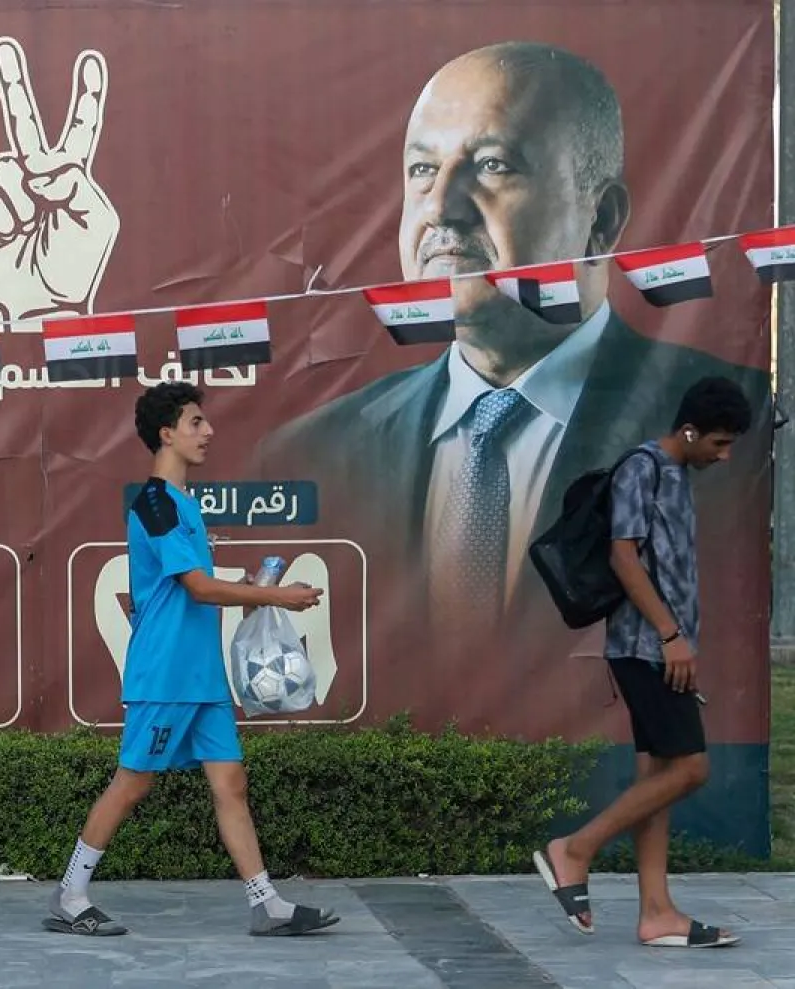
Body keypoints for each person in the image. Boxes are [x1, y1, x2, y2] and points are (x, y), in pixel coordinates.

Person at [254, 41, 770, 640]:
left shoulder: (728, 433)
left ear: (600, 219)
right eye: (423, 169)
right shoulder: (310, 452)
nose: (442, 207)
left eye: (493, 165)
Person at [44, 381, 341, 938]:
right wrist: (277, 596)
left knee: (231, 784)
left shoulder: (183, 504)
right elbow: (199, 590)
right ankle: (70, 895)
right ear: (167, 433)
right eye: (196, 423)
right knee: (132, 784)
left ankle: (266, 904)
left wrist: (251, 586)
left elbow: (194, 587)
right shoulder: (155, 502)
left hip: (203, 681)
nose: (209, 432)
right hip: (165, 675)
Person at [532, 376, 749, 949]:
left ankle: (657, 913)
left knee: (658, 775)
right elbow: (623, 558)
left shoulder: (675, 475)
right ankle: (574, 850)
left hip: (663, 648)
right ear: (689, 429)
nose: (723, 457)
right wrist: (672, 635)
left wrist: (679, 639)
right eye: (720, 444)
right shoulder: (642, 468)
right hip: (644, 648)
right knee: (690, 769)